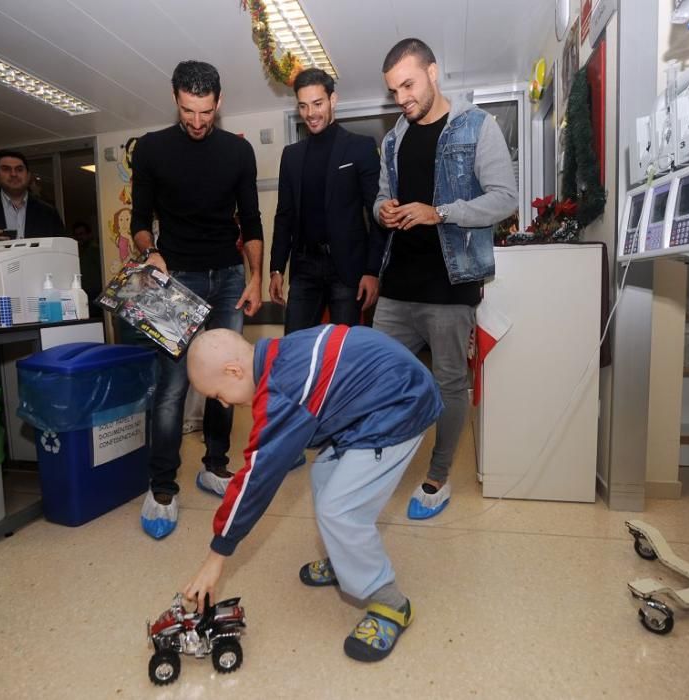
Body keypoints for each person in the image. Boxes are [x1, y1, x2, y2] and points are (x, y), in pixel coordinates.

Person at [181, 325, 442, 662]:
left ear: (234, 371)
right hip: (374, 400)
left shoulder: (281, 391)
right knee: (323, 473)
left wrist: (217, 556)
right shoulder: (276, 354)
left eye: (218, 395)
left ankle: (391, 603)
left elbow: (256, 478)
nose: (225, 404)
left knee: (340, 510)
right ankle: (345, 558)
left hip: (401, 405)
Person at [374, 38, 518, 520]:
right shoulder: (393, 138)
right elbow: (380, 196)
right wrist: (384, 210)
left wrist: (441, 213)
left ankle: (437, 477)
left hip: (449, 283)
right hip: (396, 285)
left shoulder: (478, 127)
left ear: (433, 72)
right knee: (378, 376)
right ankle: (379, 464)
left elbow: (504, 199)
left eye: (409, 85)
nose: (403, 99)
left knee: (450, 383)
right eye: (395, 91)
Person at [131, 60, 264, 539]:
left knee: (226, 378)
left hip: (228, 276)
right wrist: (152, 253)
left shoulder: (237, 153)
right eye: (188, 110)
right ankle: (162, 485)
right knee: (171, 387)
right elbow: (139, 219)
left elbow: (251, 220)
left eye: (206, 111)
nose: (197, 121)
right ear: (175, 99)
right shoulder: (150, 149)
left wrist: (254, 277)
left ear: (219, 102)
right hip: (174, 279)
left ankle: (213, 465)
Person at [269, 68, 384, 333]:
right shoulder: (291, 155)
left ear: (333, 100)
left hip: (346, 269)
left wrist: (372, 270)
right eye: (303, 106)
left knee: (343, 352)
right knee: (295, 348)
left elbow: (376, 212)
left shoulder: (361, 147)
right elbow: (284, 215)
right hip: (304, 267)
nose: (311, 113)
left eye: (318, 103)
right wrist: (276, 267)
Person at [0, 150, 65, 240]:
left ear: (28, 175)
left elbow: (63, 248)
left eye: (19, 169)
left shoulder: (48, 213)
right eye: (6, 169)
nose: (13, 174)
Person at [70, 221, 102, 317]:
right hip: (84, 293)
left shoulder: (96, 250)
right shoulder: (77, 252)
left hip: (96, 293)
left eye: (82, 234)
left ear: (89, 234)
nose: (79, 237)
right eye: (77, 235)